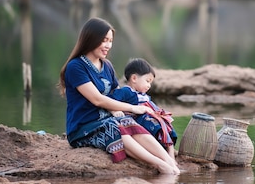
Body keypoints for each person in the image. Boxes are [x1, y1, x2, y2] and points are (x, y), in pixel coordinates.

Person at [58, 17, 179, 175]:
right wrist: (133, 108)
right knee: (114, 126)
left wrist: (117, 110)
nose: (108, 45)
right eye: (104, 40)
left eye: (110, 40)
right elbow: (97, 99)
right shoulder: (76, 67)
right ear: (91, 39)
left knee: (127, 121)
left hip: (106, 118)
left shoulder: (106, 65)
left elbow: (115, 93)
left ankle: (170, 163)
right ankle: (159, 165)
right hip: (84, 127)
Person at [107, 58, 178, 160]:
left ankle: (170, 152)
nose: (149, 85)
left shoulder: (144, 95)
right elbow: (110, 101)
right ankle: (159, 151)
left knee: (166, 124)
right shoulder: (126, 91)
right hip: (139, 119)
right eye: (147, 81)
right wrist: (115, 110)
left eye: (150, 83)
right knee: (154, 124)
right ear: (134, 78)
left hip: (151, 117)